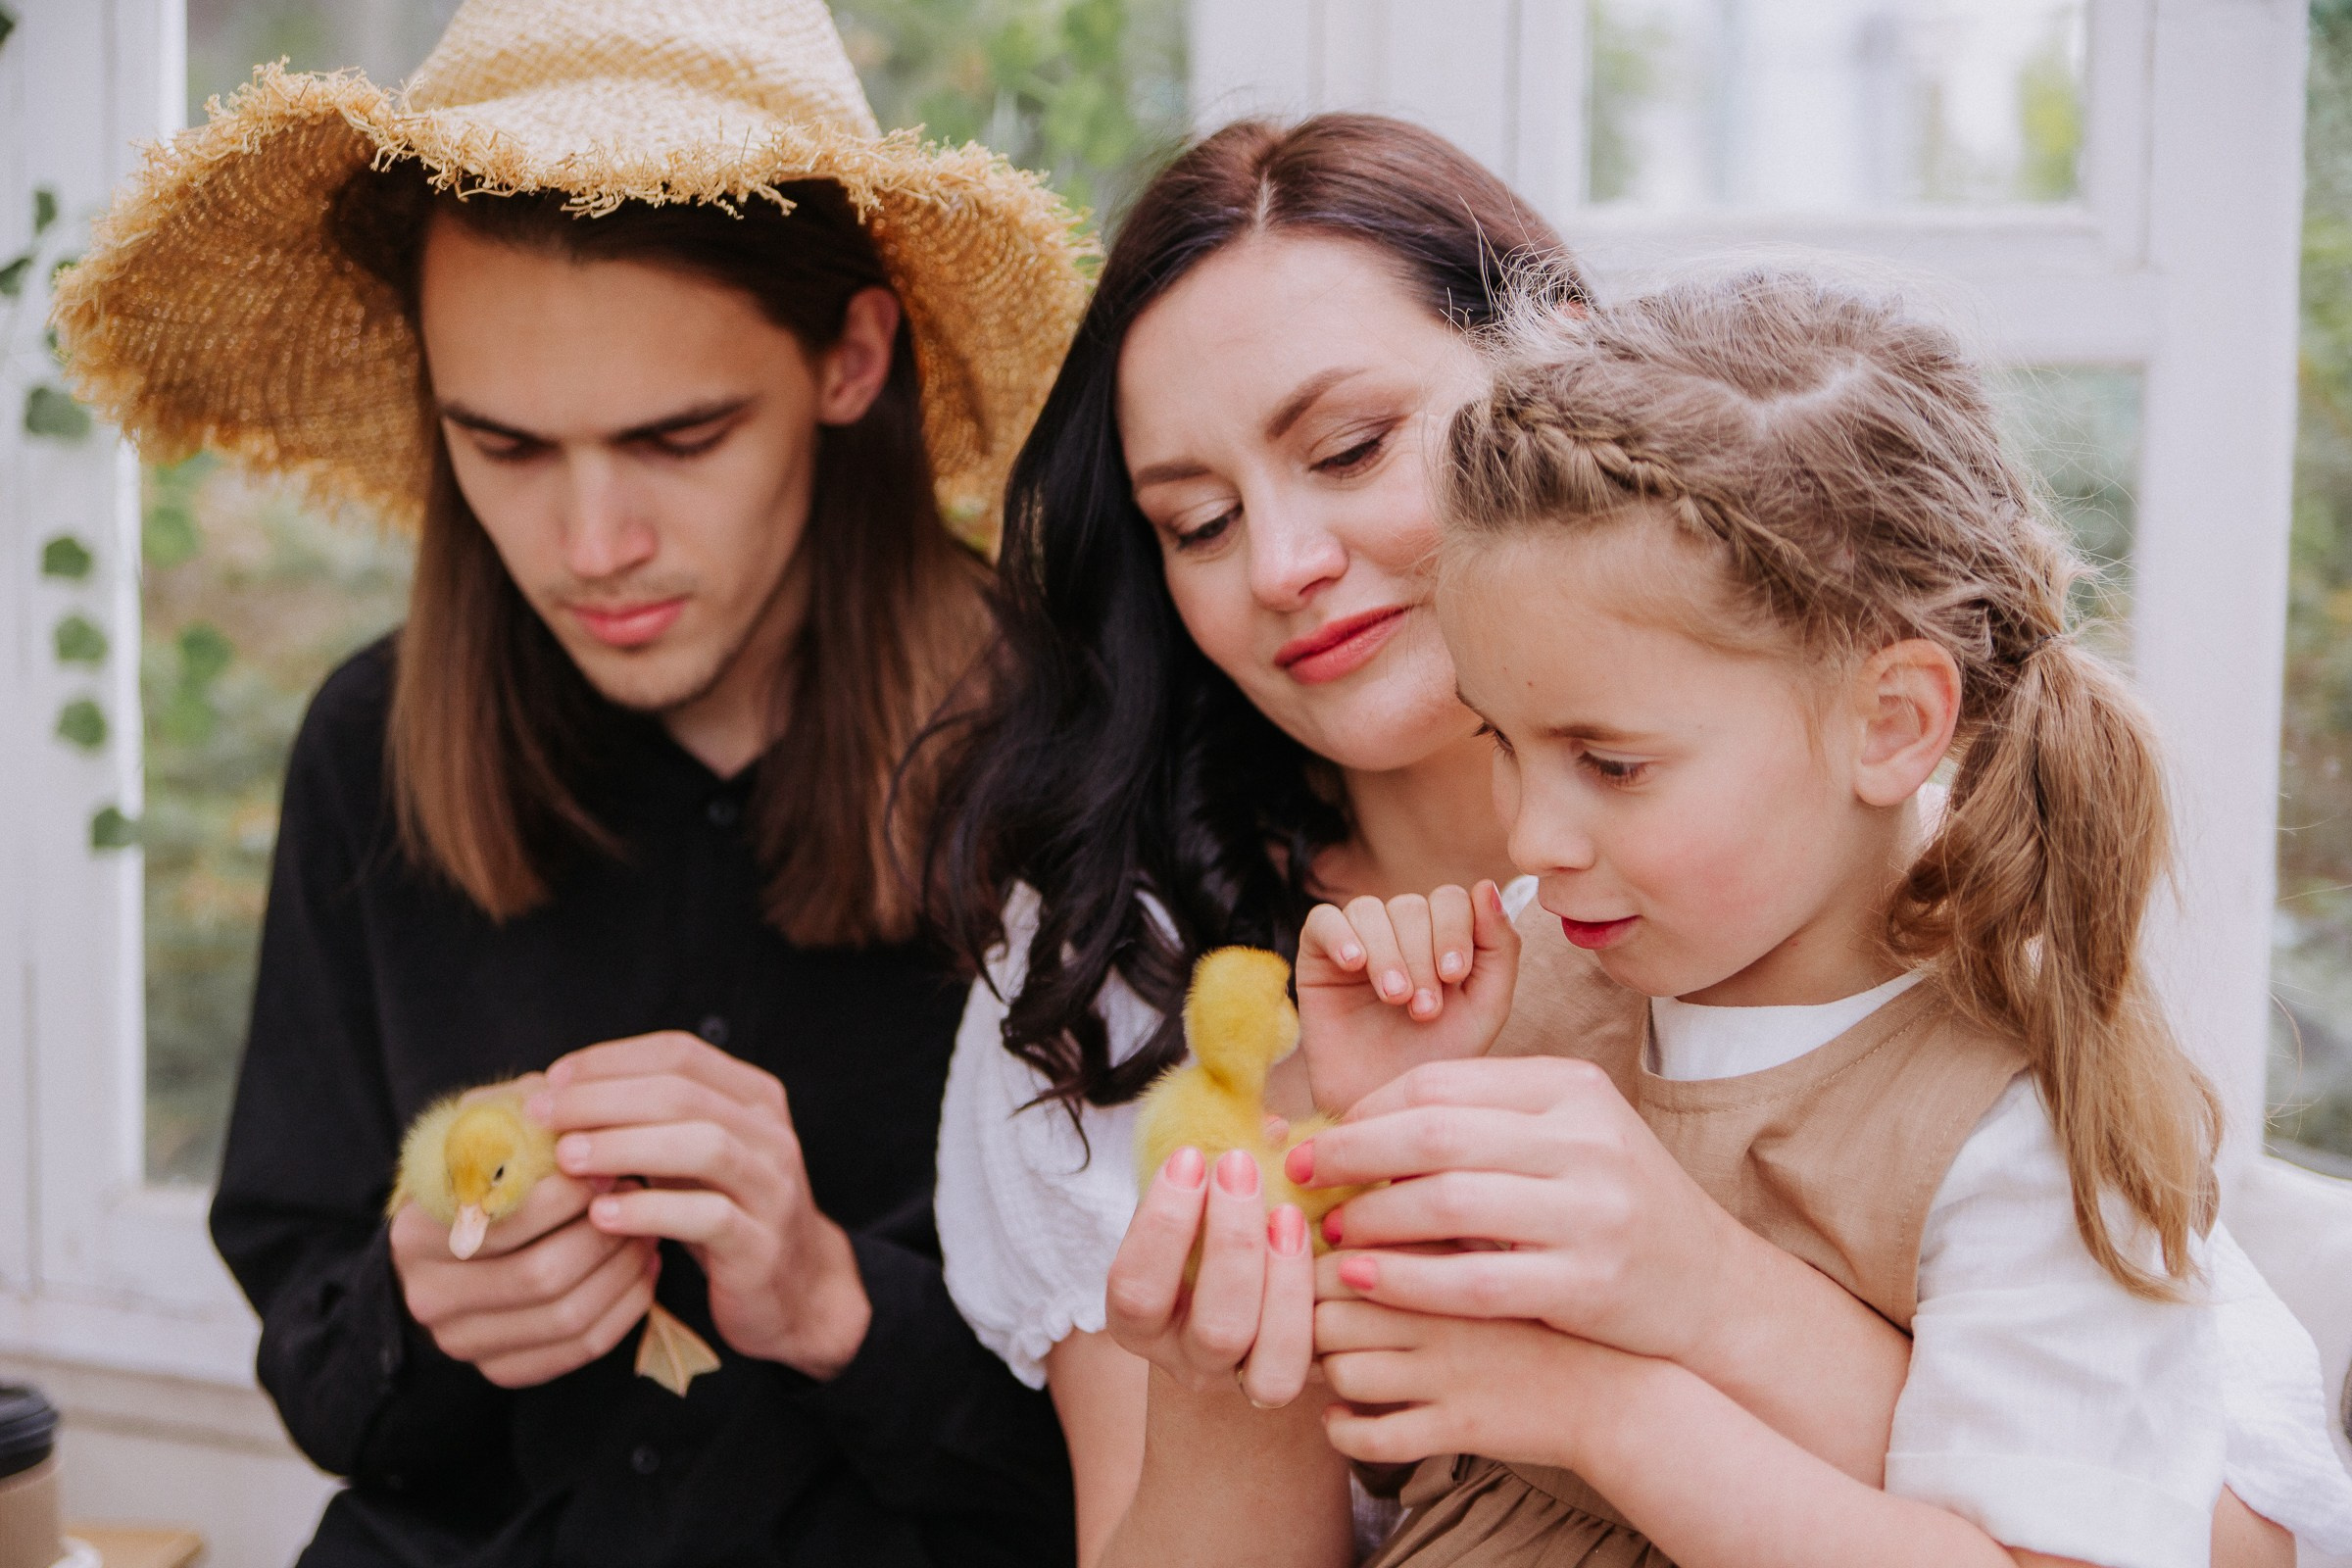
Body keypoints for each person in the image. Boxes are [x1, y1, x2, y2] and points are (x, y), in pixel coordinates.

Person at [926, 117, 2333, 1565]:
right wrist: (1324, 1196)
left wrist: (1658, 1332)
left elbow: (2204, 1532)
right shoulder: (1126, 964)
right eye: (1199, 521)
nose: (1284, 565)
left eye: (1351, 448)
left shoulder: (1970, 1000)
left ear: (1566, 378)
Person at [55, 2, 1088, 1563]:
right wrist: (426, 1306)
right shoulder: (371, 745)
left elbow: (1155, 1476)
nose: (589, 547)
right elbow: (327, 1385)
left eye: (679, 438)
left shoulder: (1066, 759)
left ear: (852, 358)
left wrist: (833, 1304)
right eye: (506, 448)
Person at [1290, 270, 2352, 1565]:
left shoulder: (2022, 1129)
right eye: (1497, 740)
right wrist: (1385, 1123)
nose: (1530, 836)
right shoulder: (1530, 970)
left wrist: (1609, 1413)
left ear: (1894, 724)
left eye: (1611, 764)